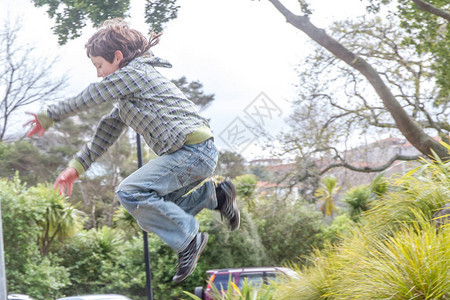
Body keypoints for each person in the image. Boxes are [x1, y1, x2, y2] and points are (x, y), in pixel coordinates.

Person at [25, 19, 240, 283]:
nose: (99, 73)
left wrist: (48, 115)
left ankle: (189, 239)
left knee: (130, 192)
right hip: (198, 153)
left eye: (99, 66)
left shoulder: (134, 74)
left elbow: (92, 95)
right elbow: (105, 133)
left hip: (191, 152)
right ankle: (215, 196)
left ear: (117, 57)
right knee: (151, 212)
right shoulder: (129, 94)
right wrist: (76, 168)